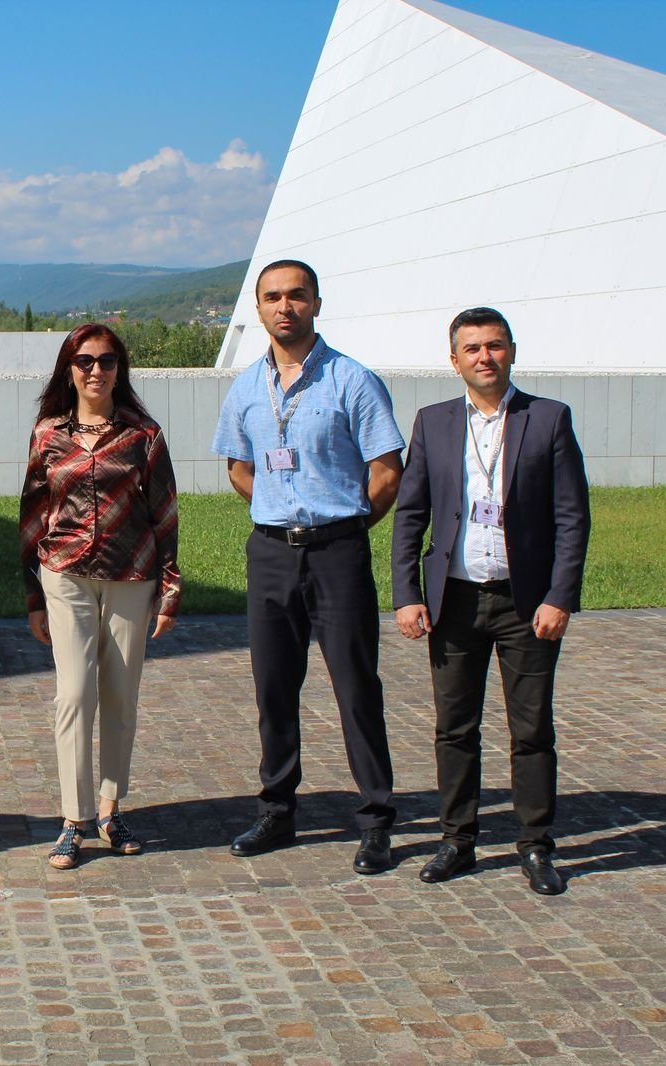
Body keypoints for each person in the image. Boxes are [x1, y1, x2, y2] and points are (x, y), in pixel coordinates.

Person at [210, 259, 405, 875]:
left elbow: (387, 471)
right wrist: (278, 509)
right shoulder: (247, 387)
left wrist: (344, 525)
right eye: (272, 297)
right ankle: (277, 810)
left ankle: (375, 820)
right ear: (258, 309)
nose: (284, 306)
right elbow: (239, 467)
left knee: (356, 688)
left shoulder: (353, 380)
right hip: (271, 551)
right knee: (273, 689)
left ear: (316, 303)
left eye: (296, 295)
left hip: (337, 551)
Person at [392, 307, 590, 895]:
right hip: (453, 600)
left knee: (531, 729)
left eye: (495, 345)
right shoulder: (433, 422)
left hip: (526, 603)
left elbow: (572, 517)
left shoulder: (548, 418)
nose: (485, 356)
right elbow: (411, 514)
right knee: (455, 728)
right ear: (454, 360)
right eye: (473, 348)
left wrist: (560, 596)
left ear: (512, 352)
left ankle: (536, 845)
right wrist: (407, 593)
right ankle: (457, 840)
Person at [19, 324, 181, 870]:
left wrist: (170, 587)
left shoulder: (144, 435)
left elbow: (164, 513)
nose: (96, 370)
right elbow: (32, 515)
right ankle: (74, 818)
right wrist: (33, 595)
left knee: (120, 695)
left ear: (119, 369)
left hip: (131, 575)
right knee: (73, 694)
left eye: (107, 361)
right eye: (84, 361)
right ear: (69, 369)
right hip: (64, 574)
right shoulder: (48, 435)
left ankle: (111, 810)